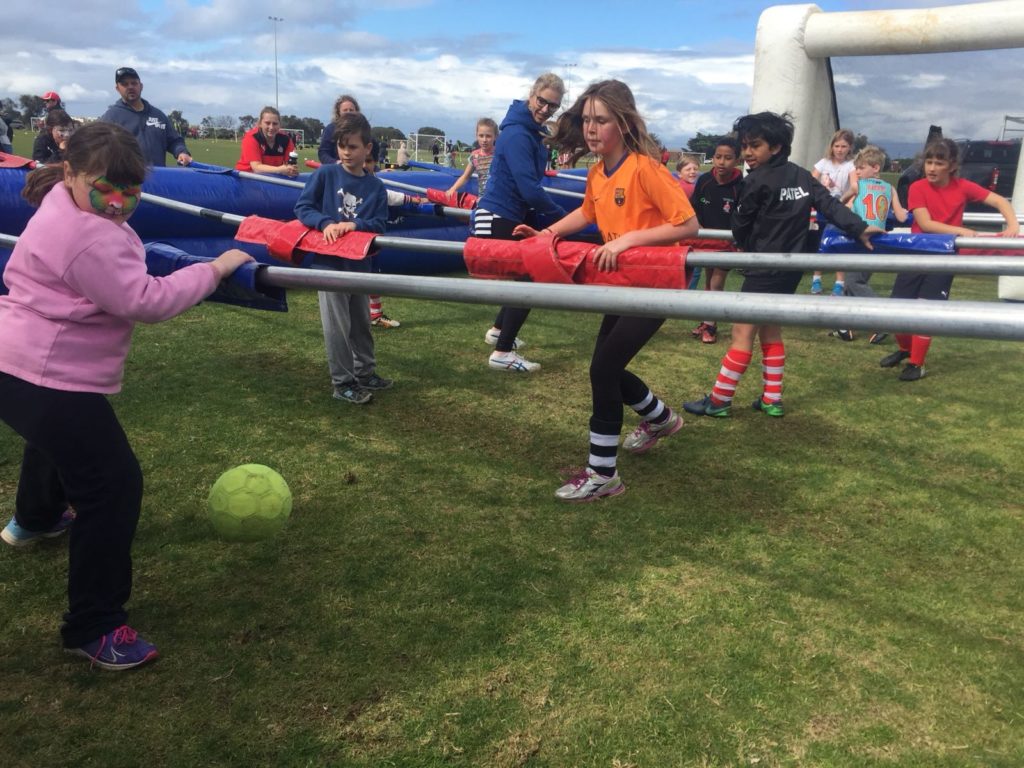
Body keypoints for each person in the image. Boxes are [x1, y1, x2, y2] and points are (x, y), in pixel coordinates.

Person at [0, 122, 252, 669]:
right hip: (45, 369)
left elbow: (124, 259)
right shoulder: (86, 234)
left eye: (130, 191)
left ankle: (35, 518)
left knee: (55, 441)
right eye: (104, 188)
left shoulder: (62, 204)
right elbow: (145, 300)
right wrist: (214, 269)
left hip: (14, 361)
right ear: (70, 173)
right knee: (111, 485)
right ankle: (95, 625)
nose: (118, 204)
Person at [512, 80, 697, 501]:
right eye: (587, 120)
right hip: (621, 285)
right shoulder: (597, 172)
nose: (592, 129)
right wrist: (545, 235)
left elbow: (688, 225)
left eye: (602, 120)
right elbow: (587, 212)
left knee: (603, 369)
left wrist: (627, 241)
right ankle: (661, 419)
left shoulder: (646, 169)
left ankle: (603, 475)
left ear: (624, 122)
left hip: (653, 286)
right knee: (605, 365)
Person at [682, 112, 881, 419]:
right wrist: (858, 226)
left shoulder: (755, 181)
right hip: (790, 270)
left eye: (755, 146)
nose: (748, 153)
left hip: (764, 268)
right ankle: (771, 398)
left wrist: (748, 246)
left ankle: (719, 400)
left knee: (742, 333)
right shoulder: (802, 176)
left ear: (775, 147)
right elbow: (829, 205)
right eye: (745, 146)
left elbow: (740, 226)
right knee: (770, 330)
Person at [880, 138, 1019, 381]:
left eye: (939, 163)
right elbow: (925, 223)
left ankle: (917, 363)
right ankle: (904, 350)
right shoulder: (917, 187)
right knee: (897, 307)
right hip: (916, 255)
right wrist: (961, 231)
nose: (932, 168)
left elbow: (998, 200)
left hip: (944, 257)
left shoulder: (963, 186)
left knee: (926, 308)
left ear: (952, 166)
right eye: (929, 162)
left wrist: (1013, 224)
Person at [294, 112, 392, 404]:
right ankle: (343, 383)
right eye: (342, 145)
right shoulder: (325, 174)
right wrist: (325, 223)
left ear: (367, 148)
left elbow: (380, 225)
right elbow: (302, 207)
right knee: (337, 327)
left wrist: (356, 225)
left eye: (353, 146)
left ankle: (365, 372)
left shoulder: (376, 188)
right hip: (329, 266)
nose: (347, 152)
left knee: (361, 323)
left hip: (360, 266)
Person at [475, 72, 568, 373]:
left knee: (524, 278)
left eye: (552, 106)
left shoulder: (531, 132)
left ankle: (498, 332)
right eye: (542, 101)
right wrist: (563, 219)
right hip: (499, 214)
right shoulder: (517, 134)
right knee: (529, 280)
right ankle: (502, 353)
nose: (545, 108)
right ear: (532, 94)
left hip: (511, 215)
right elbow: (528, 188)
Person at [831, 145, 908, 343]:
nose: (857, 171)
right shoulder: (890, 189)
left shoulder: (858, 187)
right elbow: (900, 216)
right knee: (853, 282)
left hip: (858, 240)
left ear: (875, 168)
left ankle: (882, 321)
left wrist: (848, 204)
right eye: (856, 168)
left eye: (861, 168)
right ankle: (843, 325)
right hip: (877, 243)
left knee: (854, 282)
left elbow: (839, 205)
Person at [689, 137, 743, 344]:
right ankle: (707, 320)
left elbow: (743, 216)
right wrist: (699, 228)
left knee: (716, 282)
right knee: (708, 281)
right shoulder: (704, 181)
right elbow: (694, 207)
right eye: (718, 157)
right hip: (705, 241)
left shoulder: (741, 185)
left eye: (728, 158)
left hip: (727, 243)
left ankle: (711, 326)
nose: (721, 162)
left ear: (737, 160)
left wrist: (738, 242)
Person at [99, 68, 191, 167]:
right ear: (117, 88)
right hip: (126, 180)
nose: (130, 87)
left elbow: (174, 141)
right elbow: (98, 150)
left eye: (134, 83)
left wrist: (181, 152)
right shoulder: (111, 117)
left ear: (141, 86)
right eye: (125, 84)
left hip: (158, 178)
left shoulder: (158, 116)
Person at [809, 129, 856, 295]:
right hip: (823, 208)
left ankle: (839, 282)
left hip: (839, 210)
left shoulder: (850, 166)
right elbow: (811, 181)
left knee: (839, 245)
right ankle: (816, 280)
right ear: (832, 146)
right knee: (821, 245)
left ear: (849, 148)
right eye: (837, 146)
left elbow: (855, 186)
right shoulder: (823, 163)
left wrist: (847, 203)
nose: (840, 150)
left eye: (844, 146)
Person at [363, 138, 401, 329]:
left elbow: (390, 197)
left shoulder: (374, 182)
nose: (364, 165)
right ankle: (361, 316)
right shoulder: (342, 180)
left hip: (371, 239)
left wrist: (418, 200)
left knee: (374, 275)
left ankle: (375, 314)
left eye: (369, 161)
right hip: (351, 242)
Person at [235, 106, 298, 177]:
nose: (271, 127)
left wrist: (291, 169)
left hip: (271, 178)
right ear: (260, 123)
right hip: (246, 178)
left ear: (280, 124)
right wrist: (279, 169)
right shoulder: (252, 137)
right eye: (267, 123)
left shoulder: (286, 139)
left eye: (275, 124)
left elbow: (289, 166)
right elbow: (257, 168)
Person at [446, 118, 498, 199]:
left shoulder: (500, 154)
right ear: (476, 136)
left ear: (495, 136)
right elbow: (465, 177)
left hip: (498, 198)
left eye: (488, 136)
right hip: (483, 199)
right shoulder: (475, 156)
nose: (484, 140)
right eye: (481, 136)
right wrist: (452, 189)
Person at [318, 94, 360, 165]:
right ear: (339, 112)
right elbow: (323, 152)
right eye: (345, 110)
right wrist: (335, 162)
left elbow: (368, 155)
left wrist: (377, 169)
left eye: (351, 110)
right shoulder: (330, 129)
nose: (348, 112)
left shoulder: (361, 130)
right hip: (336, 171)